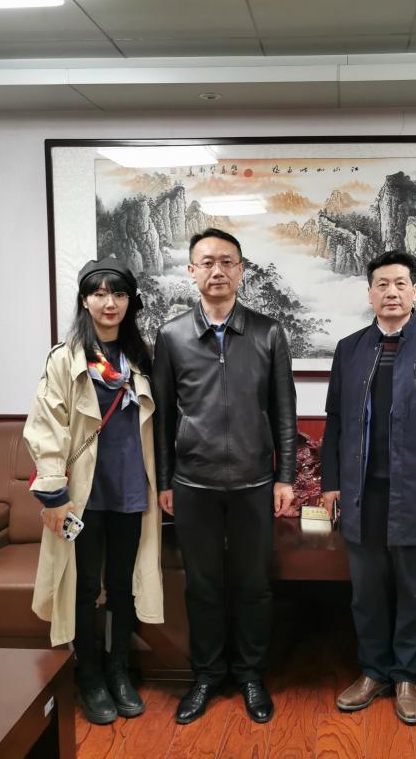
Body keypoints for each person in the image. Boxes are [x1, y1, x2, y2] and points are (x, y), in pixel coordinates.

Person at [153, 228, 297, 725]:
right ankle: (207, 675)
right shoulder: (171, 335)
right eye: (207, 262)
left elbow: (284, 411)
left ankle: (251, 675)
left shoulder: (268, 332)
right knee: (203, 586)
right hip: (193, 484)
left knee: (254, 585)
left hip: (255, 482)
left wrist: (284, 477)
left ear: (241, 269)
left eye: (227, 262)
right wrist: (165, 481)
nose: (217, 271)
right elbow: (163, 417)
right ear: (191, 271)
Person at [319, 250, 416, 725]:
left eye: (401, 283)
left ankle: (407, 676)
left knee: (413, 590)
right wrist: (330, 483)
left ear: (415, 292)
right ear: (369, 293)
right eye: (382, 284)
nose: (391, 292)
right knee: (366, 592)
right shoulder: (350, 348)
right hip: (361, 492)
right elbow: (336, 421)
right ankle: (373, 672)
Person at [24, 256, 164, 726]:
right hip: (82, 494)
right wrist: (53, 494)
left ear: (130, 301)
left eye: (119, 294)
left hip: (131, 487)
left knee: (122, 586)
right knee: (84, 587)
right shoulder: (65, 358)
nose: (110, 303)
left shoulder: (141, 357)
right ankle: (88, 675)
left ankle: (119, 671)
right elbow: (45, 426)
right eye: (100, 293)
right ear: (85, 300)